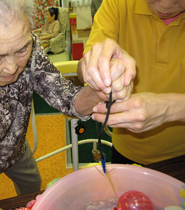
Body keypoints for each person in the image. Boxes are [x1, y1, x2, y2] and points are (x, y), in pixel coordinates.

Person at [0, 0, 133, 209]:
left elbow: (65, 97)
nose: (12, 68)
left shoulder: (29, 42)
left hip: (16, 147)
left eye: (21, 50)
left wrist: (100, 89)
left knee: (33, 190)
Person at [78, 0, 185, 165]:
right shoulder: (118, 4)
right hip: (126, 149)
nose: (165, 5)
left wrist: (169, 108)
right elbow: (86, 63)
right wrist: (94, 67)